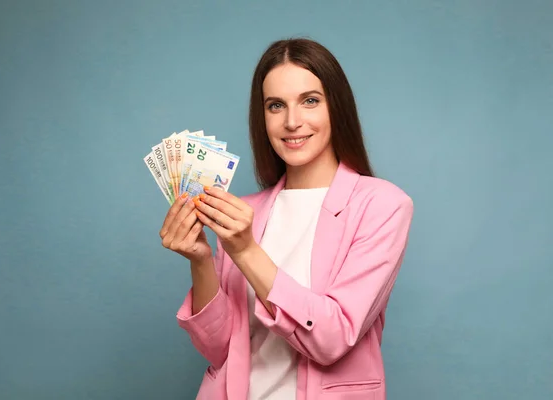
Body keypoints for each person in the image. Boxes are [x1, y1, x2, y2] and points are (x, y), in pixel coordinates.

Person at [159, 38, 414, 400]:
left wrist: (246, 251)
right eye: (276, 105)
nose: (292, 122)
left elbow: (332, 338)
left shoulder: (383, 205)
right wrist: (201, 259)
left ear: (336, 107)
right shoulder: (246, 212)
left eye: (310, 101)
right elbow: (221, 350)